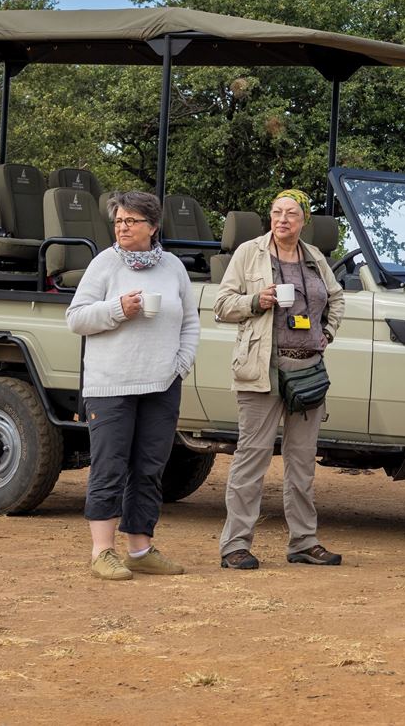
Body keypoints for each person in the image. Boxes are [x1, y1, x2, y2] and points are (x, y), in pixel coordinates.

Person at [66, 190, 200, 581]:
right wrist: (117, 310)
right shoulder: (104, 264)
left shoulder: (173, 267)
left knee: (149, 468)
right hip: (110, 386)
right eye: (119, 221)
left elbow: (190, 321)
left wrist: (180, 365)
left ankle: (139, 549)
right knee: (109, 466)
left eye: (131, 221)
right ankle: (101, 551)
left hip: (161, 384)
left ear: (153, 226)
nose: (123, 227)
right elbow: (75, 319)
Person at [214, 189, 345, 570]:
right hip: (262, 370)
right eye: (276, 212)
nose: (282, 219)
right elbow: (222, 305)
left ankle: (303, 542)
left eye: (291, 213)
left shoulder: (314, 257)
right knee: (251, 460)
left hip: (307, 371)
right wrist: (257, 300)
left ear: (304, 220)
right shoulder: (248, 253)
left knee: (302, 463)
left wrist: (328, 333)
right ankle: (235, 545)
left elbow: (336, 299)